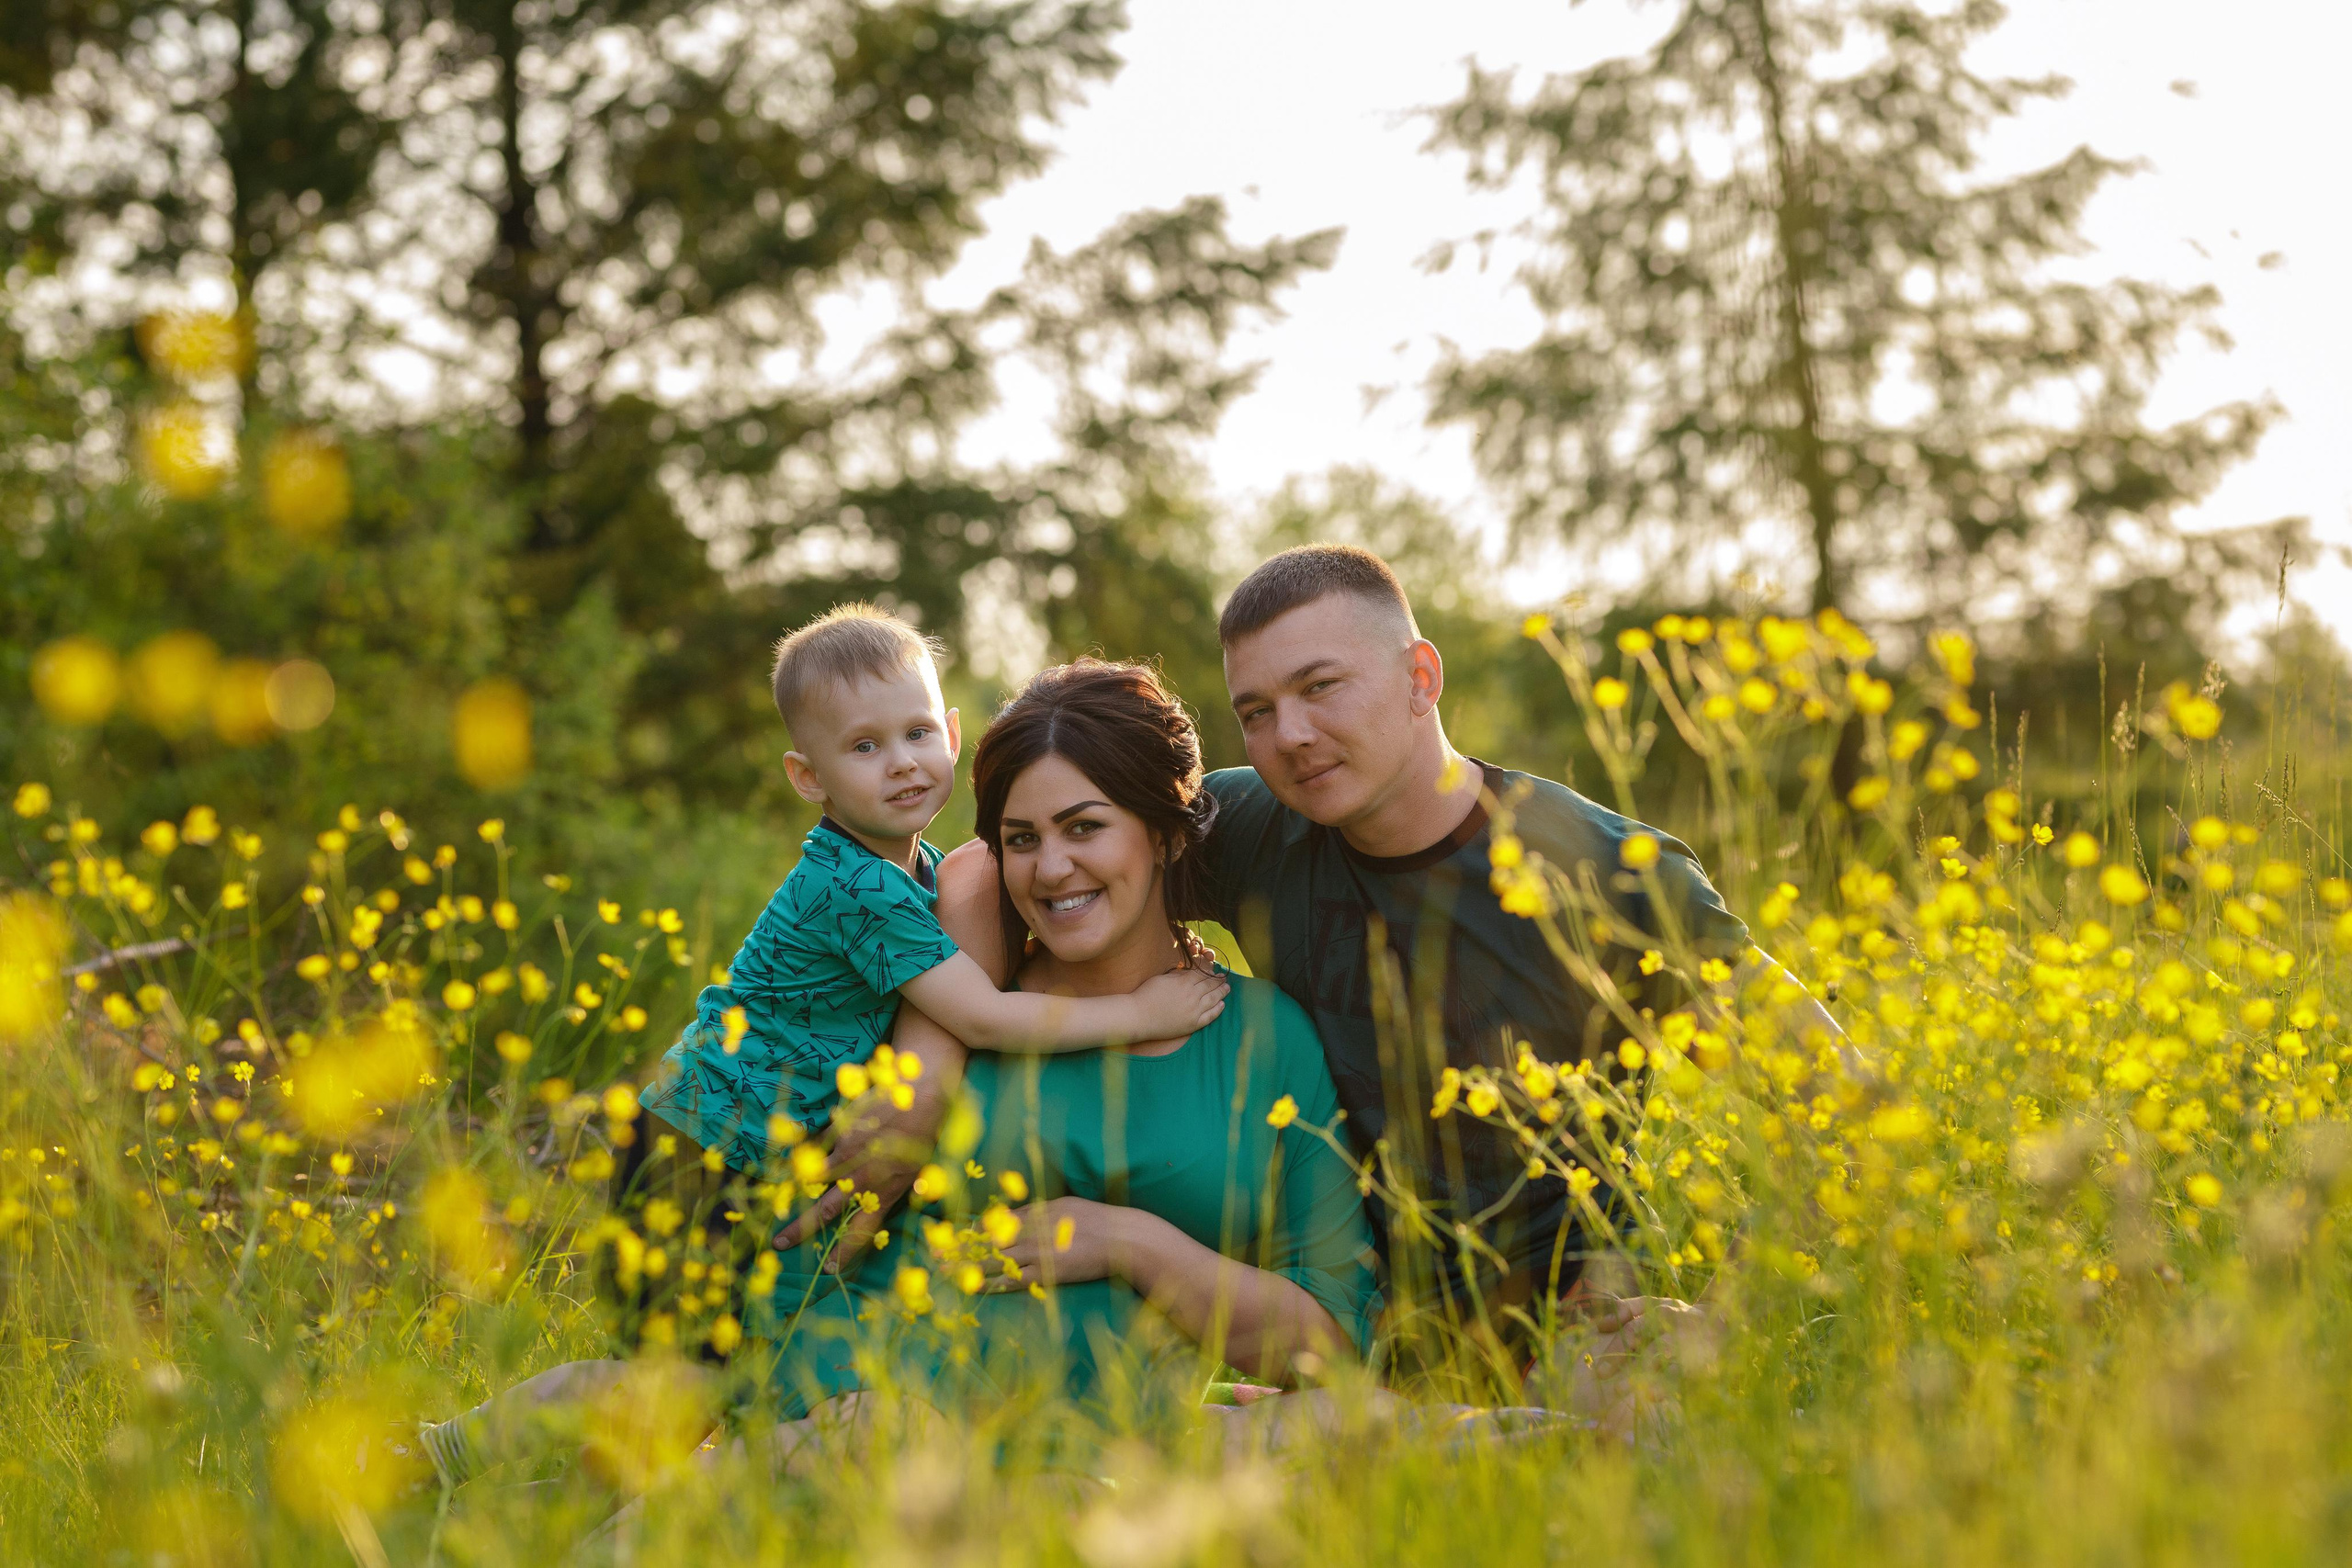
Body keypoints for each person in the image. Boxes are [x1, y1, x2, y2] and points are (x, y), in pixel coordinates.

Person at [792, 546, 1841, 1358]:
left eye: (1320, 687)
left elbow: (1832, 1099)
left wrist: (1727, 1314)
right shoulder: (1256, 825)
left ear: (1420, 675)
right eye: (1256, 709)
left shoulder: (1601, 873)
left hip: (1555, 1317)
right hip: (1326, 1315)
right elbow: (1001, 861)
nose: (1289, 734)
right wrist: (927, 1076)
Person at [413, 660, 1377, 1490]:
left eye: (1086, 827)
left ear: (1166, 834)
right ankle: (432, 1468)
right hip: (849, 1393)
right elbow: (951, 886)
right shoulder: (945, 996)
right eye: (1021, 838)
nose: (1050, 869)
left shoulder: (1261, 1041)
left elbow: (1331, 1338)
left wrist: (1131, 1244)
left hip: (1082, 1463)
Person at [633, 602, 1227, 1176]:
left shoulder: (911, 867)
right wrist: (1140, 1011)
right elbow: (984, 1017)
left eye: (917, 733)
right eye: (865, 746)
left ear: (950, 736)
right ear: (809, 776)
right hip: (700, 1139)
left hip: (740, 1140)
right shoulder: (855, 884)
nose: (901, 762)